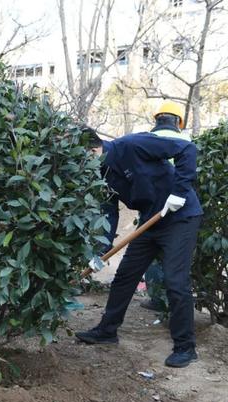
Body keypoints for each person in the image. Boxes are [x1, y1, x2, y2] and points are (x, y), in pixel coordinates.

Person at [76, 128, 203, 368]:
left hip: (180, 216)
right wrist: (101, 252)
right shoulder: (101, 171)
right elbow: (109, 212)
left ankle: (186, 347)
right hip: (150, 220)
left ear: (93, 150)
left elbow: (187, 148)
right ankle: (107, 331)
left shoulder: (133, 144)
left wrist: (179, 192)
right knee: (125, 275)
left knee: (175, 281)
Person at [140, 101, 191, 312]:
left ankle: (157, 300)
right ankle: (173, 304)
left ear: (157, 119)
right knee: (176, 260)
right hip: (181, 208)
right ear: (178, 121)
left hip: (152, 205)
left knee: (151, 255)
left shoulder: (147, 139)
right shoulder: (187, 140)